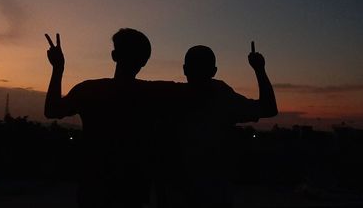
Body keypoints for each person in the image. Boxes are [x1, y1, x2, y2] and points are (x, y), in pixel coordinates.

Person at [44, 29, 180, 208]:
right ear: (144, 61)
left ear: (114, 55)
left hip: (94, 188)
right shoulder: (155, 93)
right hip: (133, 190)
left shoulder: (90, 90)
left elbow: (52, 110)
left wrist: (58, 68)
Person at [157, 44, 277, 208]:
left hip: (181, 193)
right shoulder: (223, 97)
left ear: (185, 69)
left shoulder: (170, 97)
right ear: (214, 71)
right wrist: (259, 69)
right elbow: (268, 108)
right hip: (214, 193)